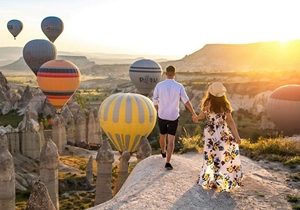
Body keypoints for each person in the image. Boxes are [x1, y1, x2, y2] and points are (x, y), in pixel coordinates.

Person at [193, 82, 242, 192]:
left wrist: (195, 118)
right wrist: (237, 136)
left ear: (210, 93)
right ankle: (222, 180)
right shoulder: (225, 105)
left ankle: (213, 180)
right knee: (222, 155)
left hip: (210, 133)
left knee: (211, 155)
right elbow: (230, 122)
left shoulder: (207, 104)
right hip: (222, 132)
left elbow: (200, 117)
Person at [153, 65, 197, 170]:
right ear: (174, 74)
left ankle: (163, 151)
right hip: (173, 116)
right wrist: (193, 113)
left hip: (162, 115)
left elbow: (154, 100)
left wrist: (158, 110)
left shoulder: (159, 85)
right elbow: (186, 101)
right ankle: (168, 162)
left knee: (162, 135)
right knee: (171, 140)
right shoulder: (179, 86)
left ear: (165, 73)